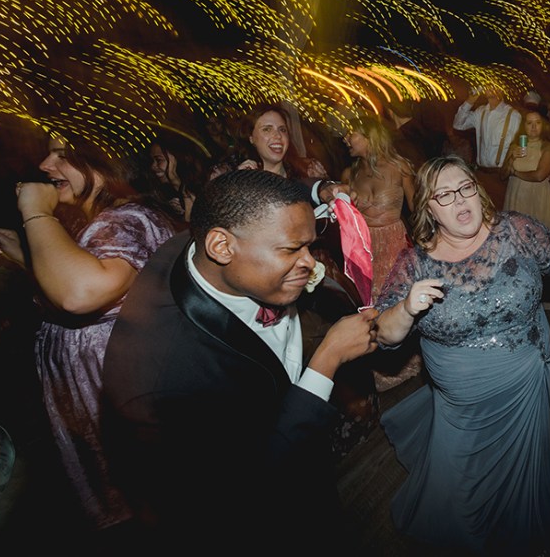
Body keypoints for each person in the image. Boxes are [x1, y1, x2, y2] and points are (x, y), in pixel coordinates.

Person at [100, 169, 378, 553]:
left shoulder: (218, 238)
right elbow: (245, 490)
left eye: (309, 247)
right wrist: (327, 359)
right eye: (291, 250)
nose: (310, 263)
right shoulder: (163, 381)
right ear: (221, 247)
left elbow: (262, 203)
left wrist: (321, 192)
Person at [372, 155, 550, 555]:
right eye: (444, 195)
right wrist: (406, 309)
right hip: (463, 402)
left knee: (521, 465)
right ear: (428, 208)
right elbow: (385, 335)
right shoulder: (415, 262)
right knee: (462, 481)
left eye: (465, 187)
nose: (459, 200)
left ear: (478, 189)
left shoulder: (514, 228)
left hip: (525, 378)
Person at [0, 136, 176, 533]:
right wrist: (26, 258)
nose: (45, 165)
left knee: (156, 517)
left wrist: (36, 213)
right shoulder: (103, 219)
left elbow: (81, 293)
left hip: (122, 400)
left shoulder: (126, 219)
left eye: (62, 154)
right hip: (105, 401)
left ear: (103, 158)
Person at [341, 116, 421, 392]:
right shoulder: (349, 174)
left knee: (399, 302)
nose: (346, 139)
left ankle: (410, 361)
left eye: (351, 133)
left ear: (370, 136)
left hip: (395, 243)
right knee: (371, 305)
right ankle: (381, 370)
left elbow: (417, 209)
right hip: (365, 248)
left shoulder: (400, 167)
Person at [452, 86, 522, 209]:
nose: (492, 90)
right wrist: (470, 101)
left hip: (500, 176)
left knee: (498, 214)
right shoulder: (481, 111)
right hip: (480, 174)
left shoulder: (513, 115)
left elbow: (516, 145)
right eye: (488, 87)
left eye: (495, 87)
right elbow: (458, 124)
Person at [236, 103, 328, 182]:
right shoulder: (245, 178)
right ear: (251, 138)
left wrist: (321, 184)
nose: (278, 135)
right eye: (267, 129)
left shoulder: (306, 172)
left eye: (282, 130)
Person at [502, 109, 550, 228]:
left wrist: (515, 172)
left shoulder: (548, 147)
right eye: (529, 123)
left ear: (543, 125)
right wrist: (511, 158)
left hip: (537, 195)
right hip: (516, 193)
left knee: (537, 233)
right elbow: (502, 175)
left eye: (538, 122)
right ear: (524, 126)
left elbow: (539, 176)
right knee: (515, 232)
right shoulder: (515, 146)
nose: (534, 127)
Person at [146, 131, 209, 223]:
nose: (153, 166)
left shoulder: (206, 184)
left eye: (159, 160)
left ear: (176, 159)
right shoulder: (163, 193)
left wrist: (176, 181)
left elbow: (201, 220)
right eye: (152, 161)